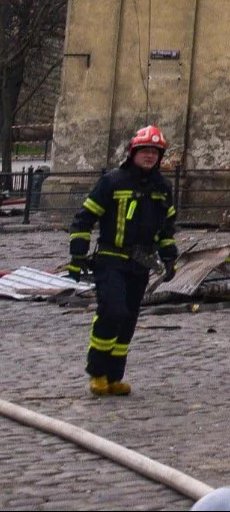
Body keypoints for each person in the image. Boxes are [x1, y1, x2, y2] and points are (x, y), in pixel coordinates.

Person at [68, 124, 178, 396]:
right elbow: (84, 219)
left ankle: (115, 376)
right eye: (145, 151)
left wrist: (169, 258)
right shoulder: (113, 182)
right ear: (133, 153)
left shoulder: (162, 188)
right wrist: (77, 257)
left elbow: (166, 230)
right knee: (112, 311)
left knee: (128, 320)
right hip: (110, 259)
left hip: (140, 263)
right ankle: (97, 372)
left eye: (155, 152)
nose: (150, 156)